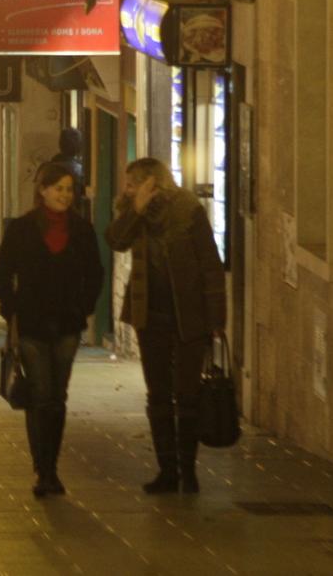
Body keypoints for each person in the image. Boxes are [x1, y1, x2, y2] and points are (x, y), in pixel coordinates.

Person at [107, 156, 226, 495]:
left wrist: (216, 320)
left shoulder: (187, 210)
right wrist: (137, 209)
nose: (127, 190)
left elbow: (210, 264)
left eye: (133, 183)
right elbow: (116, 240)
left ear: (152, 182)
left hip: (189, 316)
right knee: (157, 394)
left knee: (187, 394)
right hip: (150, 316)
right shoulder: (135, 215)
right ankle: (167, 470)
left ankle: (188, 471)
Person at [0, 163, 105, 497]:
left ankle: (50, 464)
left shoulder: (82, 230)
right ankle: (44, 470)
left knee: (58, 397)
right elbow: (3, 270)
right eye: (58, 188)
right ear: (43, 190)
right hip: (32, 322)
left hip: (67, 323)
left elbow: (95, 272)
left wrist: (84, 306)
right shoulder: (23, 229)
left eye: (69, 189)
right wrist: (11, 308)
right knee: (40, 394)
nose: (65, 195)